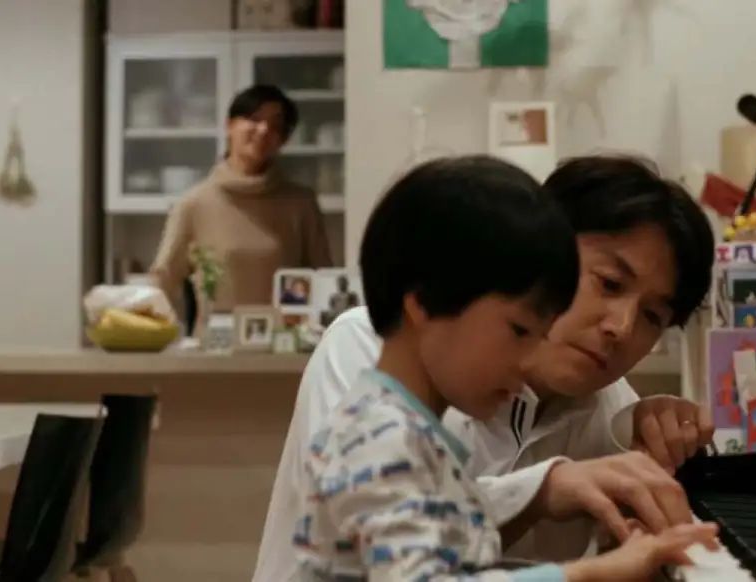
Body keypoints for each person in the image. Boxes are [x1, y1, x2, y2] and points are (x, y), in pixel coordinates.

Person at [255, 155, 717, 581]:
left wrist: (654, 462)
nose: (621, 326)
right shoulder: (370, 359)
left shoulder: (610, 405)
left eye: (653, 316)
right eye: (609, 283)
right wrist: (549, 502)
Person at [150, 85, 331, 329]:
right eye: (254, 119)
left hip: (286, 344)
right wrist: (165, 336)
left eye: (276, 125)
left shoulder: (301, 203)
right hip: (217, 346)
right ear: (230, 125)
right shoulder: (194, 204)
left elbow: (324, 281)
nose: (264, 130)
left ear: (284, 139)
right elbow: (163, 280)